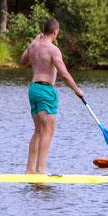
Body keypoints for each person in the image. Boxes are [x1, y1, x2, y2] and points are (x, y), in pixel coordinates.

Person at [19, 18, 83, 174]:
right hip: (46, 90)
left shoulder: (34, 46)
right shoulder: (53, 49)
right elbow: (64, 74)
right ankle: (40, 169)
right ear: (55, 32)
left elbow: (22, 62)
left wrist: (33, 42)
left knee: (39, 130)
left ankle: (30, 170)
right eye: (57, 33)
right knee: (48, 130)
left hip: (33, 89)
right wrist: (76, 90)